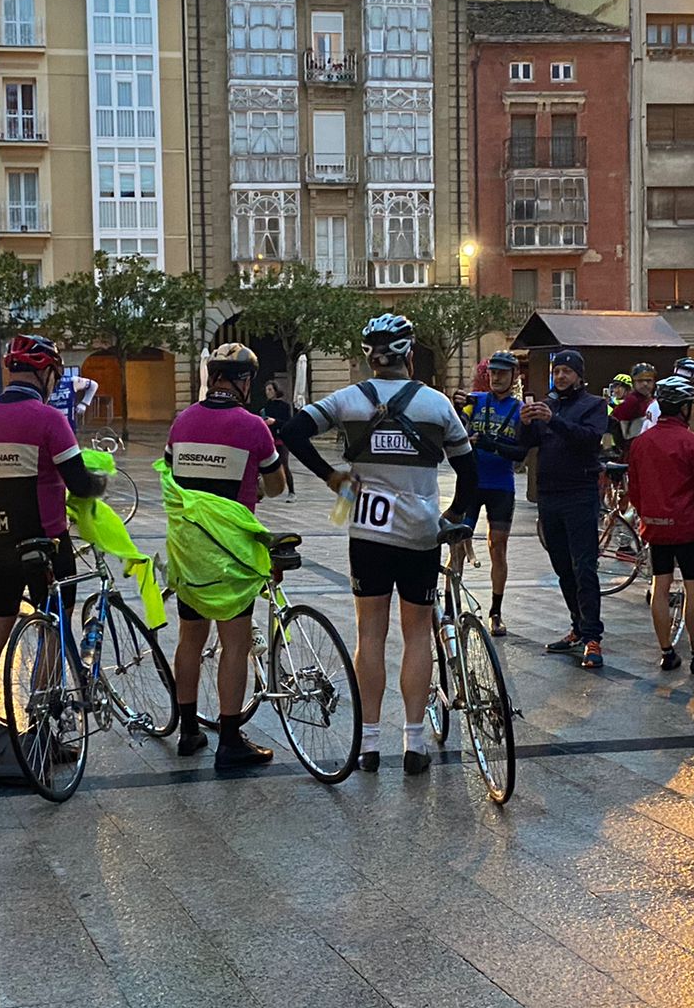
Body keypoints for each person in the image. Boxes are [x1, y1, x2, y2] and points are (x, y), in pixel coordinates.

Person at [281, 312, 477, 773]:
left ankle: (369, 742)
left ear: (368, 357)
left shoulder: (349, 399)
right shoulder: (436, 405)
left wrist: (332, 477)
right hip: (419, 533)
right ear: (410, 354)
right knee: (415, 636)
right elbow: (469, 473)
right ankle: (414, 743)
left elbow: (291, 432)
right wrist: (453, 518)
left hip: (367, 534)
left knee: (369, 635)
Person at [0, 335, 106, 761]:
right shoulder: (48, 418)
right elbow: (80, 482)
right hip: (46, 542)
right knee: (53, 633)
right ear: (46, 373)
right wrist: (102, 483)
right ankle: (42, 730)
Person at [165, 343, 288, 766]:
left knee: (190, 638)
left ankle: (188, 731)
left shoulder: (182, 422)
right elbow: (277, 487)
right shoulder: (254, 426)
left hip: (188, 549)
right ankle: (231, 739)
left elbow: (173, 475)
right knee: (234, 643)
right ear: (245, 381)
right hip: (231, 553)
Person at [625, 376, 694, 676]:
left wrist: (647, 515)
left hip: (656, 528)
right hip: (689, 526)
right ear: (684, 408)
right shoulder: (693, 442)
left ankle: (666, 652)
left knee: (660, 584)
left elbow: (636, 489)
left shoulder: (641, 443)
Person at [520, 348, 613, 668]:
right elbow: (525, 446)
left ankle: (593, 637)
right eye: (556, 371)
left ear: (579, 375)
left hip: (580, 493)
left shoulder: (594, 405)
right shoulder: (548, 406)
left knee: (584, 567)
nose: (560, 377)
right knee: (562, 567)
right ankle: (577, 626)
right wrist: (523, 425)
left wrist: (553, 420)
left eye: (567, 372)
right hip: (549, 496)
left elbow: (588, 440)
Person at [453, 351, 528, 636]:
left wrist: (492, 445)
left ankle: (496, 612)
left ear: (513, 376)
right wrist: (456, 406)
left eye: (503, 373)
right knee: (458, 542)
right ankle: (452, 604)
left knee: (498, 547)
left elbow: (520, 453)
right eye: (493, 373)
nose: (496, 378)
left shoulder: (519, 410)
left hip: (501, 486)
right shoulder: (476, 400)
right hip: (471, 483)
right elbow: (456, 429)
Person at [608, 362, 659, 451]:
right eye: (640, 381)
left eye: (649, 380)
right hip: (634, 450)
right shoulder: (632, 401)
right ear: (634, 382)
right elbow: (611, 424)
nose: (645, 384)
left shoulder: (651, 399)